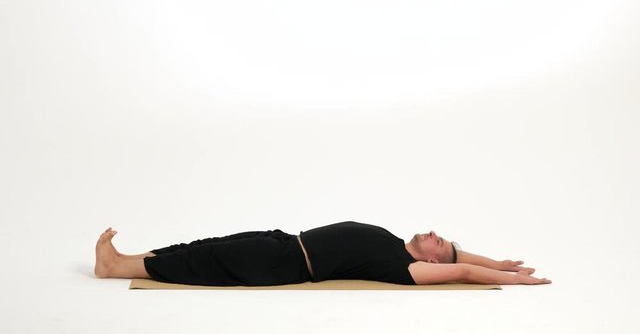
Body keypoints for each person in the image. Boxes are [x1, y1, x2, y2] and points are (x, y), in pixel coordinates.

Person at [94, 220, 551, 286]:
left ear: (432, 261)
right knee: (204, 246)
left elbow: (463, 269)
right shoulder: (398, 243)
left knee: (201, 264)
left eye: (440, 242)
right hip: (282, 240)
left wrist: (511, 281)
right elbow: (466, 256)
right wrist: (503, 261)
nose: (434, 234)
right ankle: (123, 259)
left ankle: (114, 269)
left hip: (284, 263)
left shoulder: (407, 266)